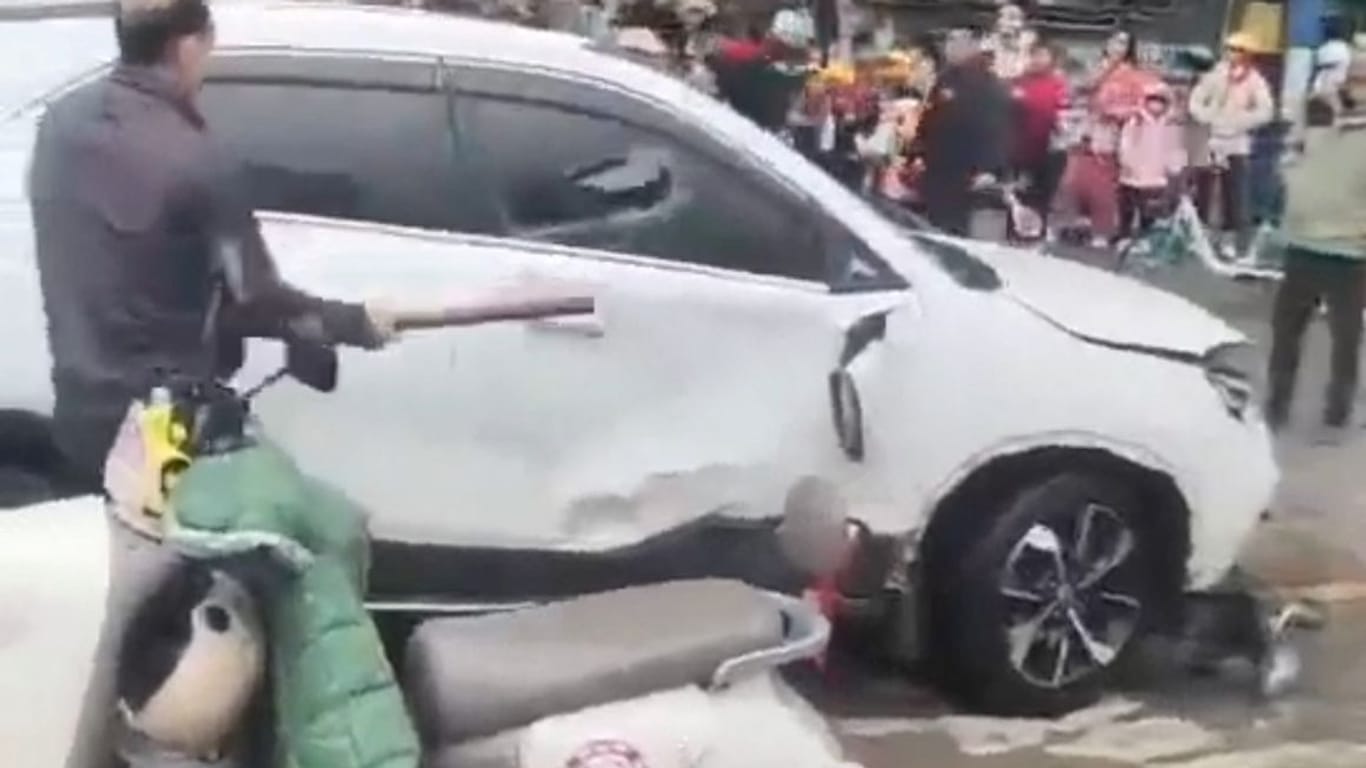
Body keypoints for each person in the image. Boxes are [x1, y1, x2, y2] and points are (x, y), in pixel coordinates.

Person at [27, 0, 396, 492]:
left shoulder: (58, 125)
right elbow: (257, 297)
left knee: (105, 553)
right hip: (161, 431)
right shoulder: (196, 158)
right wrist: (357, 321)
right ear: (187, 47)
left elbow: (127, 256)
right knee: (197, 553)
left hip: (78, 415)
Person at [1265, 63, 1366, 436]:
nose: (1356, 87)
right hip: (1303, 244)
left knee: (1346, 335)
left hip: (1349, 251)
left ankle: (1337, 411)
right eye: (1353, 80)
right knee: (1287, 330)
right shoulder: (1319, 120)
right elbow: (1289, 163)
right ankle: (1277, 404)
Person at [1055, 28, 1155, 248]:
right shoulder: (1094, 67)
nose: (1116, 47)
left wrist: (1114, 111)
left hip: (1112, 133)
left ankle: (1103, 229)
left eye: (1122, 43)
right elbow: (1074, 91)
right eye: (1113, 41)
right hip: (1084, 128)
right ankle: (1078, 223)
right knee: (1075, 180)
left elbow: (1140, 105)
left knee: (1103, 184)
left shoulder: (1133, 75)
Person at [913, 28, 1011, 235]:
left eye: (956, 41)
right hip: (937, 164)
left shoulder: (987, 84)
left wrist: (990, 168)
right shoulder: (945, 79)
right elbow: (930, 117)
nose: (949, 47)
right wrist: (918, 150)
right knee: (934, 223)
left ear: (972, 46)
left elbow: (995, 127)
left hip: (964, 168)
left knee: (955, 225)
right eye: (948, 41)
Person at [1188, 31, 1275, 258]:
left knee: (1234, 192)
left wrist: (1241, 122)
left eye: (1237, 50)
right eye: (1229, 49)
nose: (1231, 54)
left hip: (1237, 143)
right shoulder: (1215, 74)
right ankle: (1201, 233)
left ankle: (1229, 238)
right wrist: (1208, 116)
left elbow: (1265, 111)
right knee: (1203, 186)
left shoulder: (1256, 81)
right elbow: (1196, 100)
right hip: (1212, 140)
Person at [1010, 39, 1069, 229]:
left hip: (1048, 152)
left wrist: (1061, 131)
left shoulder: (1058, 84)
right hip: (1020, 152)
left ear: (1051, 59)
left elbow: (1064, 116)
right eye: (1034, 55)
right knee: (1019, 198)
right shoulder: (1018, 82)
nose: (1037, 60)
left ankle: (1038, 234)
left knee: (1042, 200)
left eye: (1043, 56)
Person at [1116, 83, 1185, 240]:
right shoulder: (1136, 121)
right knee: (1127, 209)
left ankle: (1146, 238)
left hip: (1156, 178)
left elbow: (1175, 147)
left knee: (1149, 213)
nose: (1156, 105)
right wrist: (1127, 162)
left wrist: (1175, 167)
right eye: (1153, 100)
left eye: (1160, 101)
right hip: (1131, 176)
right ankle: (1124, 237)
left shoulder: (1170, 124)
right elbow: (1125, 144)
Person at [983, 2, 1038, 80]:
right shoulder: (991, 38)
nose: (1002, 21)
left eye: (1011, 17)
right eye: (1001, 16)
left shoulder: (1028, 39)